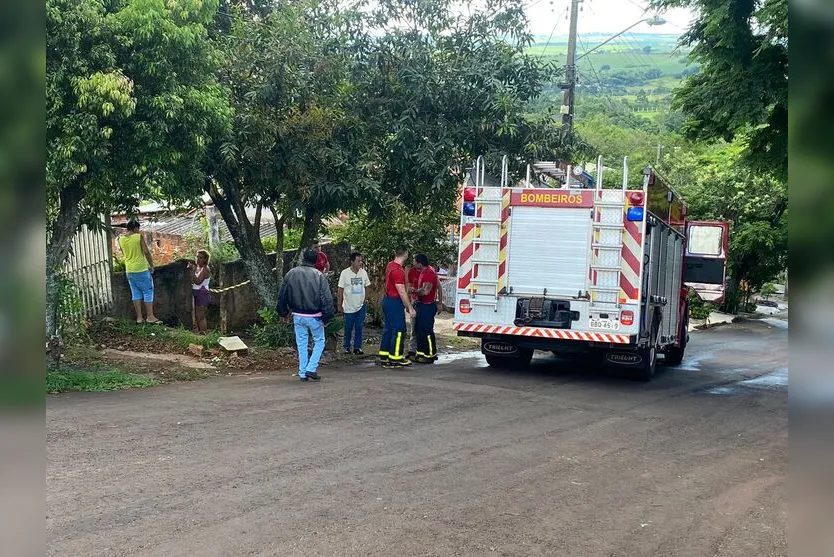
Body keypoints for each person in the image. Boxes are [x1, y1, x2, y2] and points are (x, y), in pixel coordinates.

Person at [278, 249, 335, 381]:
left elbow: (282, 296)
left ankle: (303, 372)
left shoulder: (291, 273)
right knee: (319, 341)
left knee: (301, 344)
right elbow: (326, 299)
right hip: (315, 315)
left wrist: (283, 312)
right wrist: (327, 317)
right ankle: (311, 368)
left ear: (303, 258)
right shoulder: (319, 276)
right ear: (315, 260)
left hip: (297, 314)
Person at [117, 220, 161, 324]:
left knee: (135, 292)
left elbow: (124, 253)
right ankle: (150, 316)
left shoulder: (121, 239)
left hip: (129, 270)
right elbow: (146, 252)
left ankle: (139, 318)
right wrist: (152, 265)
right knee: (147, 291)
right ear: (136, 228)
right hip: (140, 268)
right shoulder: (138, 237)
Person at [378, 247, 415, 367]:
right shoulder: (398, 271)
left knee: (388, 329)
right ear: (406, 255)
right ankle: (396, 357)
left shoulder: (390, 265)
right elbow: (402, 292)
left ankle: (384, 356)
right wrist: (410, 307)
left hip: (387, 300)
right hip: (394, 302)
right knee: (399, 330)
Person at [337, 251, 371, 355]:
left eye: (361, 261)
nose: (360, 263)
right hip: (348, 306)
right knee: (348, 327)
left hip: (361, 305)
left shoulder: (363, 273)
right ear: (352, 262)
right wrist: (339, 304)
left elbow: (367, 286)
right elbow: (340, 289)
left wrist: (366, 298)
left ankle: (358, 347)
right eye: (358, 261)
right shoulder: (345, 273)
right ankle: (347, 347)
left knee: (359, 327)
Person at [411, 254, 442, 364]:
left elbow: (425, 291)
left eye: (414, 261)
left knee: (426, 331)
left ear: (419, 262)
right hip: (421, 305)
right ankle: (420, 353)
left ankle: (430, 354)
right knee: (419, 330)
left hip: (427, 306)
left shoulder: (429, 273)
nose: (413, 263)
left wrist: (413, 291)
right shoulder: (424, 272)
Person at [188, 250, 212, 335]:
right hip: (197, 293)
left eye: (200, 258)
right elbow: (193, 281)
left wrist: (192, 271)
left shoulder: (205, 269)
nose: (198, 259)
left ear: (205, 259)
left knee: (201, 316)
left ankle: (203, 333)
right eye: (197, 257)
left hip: (203, 294)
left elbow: (198, 281)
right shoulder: (198, 268)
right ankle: (200, 332)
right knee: (197, 315)